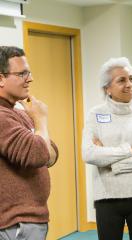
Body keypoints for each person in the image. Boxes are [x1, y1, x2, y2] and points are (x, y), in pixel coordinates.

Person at [82, 57, 132, 240]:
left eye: (131, 79)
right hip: (107, 197)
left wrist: (113, 165)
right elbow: (89, 153)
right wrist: (129, 150)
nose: (129, 85)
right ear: (107, 88)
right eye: (122, 80)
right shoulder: (96, 114)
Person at [0, 46, 58, 240]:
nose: (30, 79)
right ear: (1, 78)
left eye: (29, 72)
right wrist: (41, 120)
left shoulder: (18, 113)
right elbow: (39, 154)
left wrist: (42, 145)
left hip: (29, 220)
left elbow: (51, 154)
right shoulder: (2, 117)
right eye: (22, 73)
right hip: (15, 224)